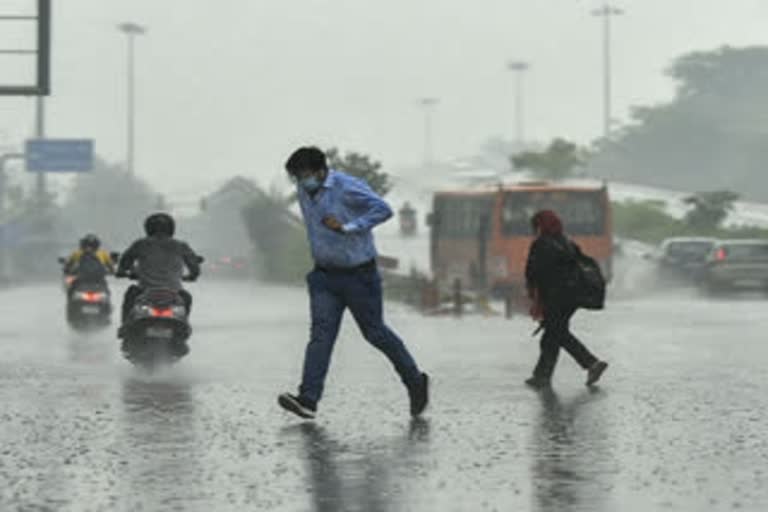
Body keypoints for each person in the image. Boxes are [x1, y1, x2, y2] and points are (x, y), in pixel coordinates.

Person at [277, 146, 429, 420]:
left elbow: (383, 210)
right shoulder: (303, 191)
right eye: (297, 177)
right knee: (321, 336)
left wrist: (348, 227)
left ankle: (415, 382)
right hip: (324, 276)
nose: (302, 181)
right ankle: (308, 399)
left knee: (375, 333)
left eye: (306, 175)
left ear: (322, 171)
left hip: (359, 275)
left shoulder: (347, 187)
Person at [524, 210, 608, 388]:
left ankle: (591, 363)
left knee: (557, 333)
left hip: (555, 297)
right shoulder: (567, 242)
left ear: (540, 226)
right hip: (573, 296)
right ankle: (542, 376)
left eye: (535, 226)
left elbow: (534, 273)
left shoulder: (542, 244)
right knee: (552, 335)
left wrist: (534, 296)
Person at [116, 213, 201, 334]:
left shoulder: (141, 244)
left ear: (148, 228)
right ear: (171, 229)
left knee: (131, 294)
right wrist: (192, 276)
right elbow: (194, 266)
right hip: (174, 291)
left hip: (144, 290)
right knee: (186, 297)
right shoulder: (181, 245)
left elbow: (125, 261)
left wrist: (123, 272)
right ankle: (184, 329)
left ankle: (124, 327)